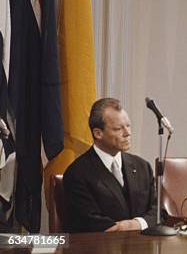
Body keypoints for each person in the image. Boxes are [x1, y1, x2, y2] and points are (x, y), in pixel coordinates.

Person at [63, 98, 157, 232]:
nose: (127, 133)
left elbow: (158, 210)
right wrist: (121, 228)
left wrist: (136, 224)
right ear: (98, 133)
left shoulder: (142, 166)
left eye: (128, 126)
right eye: (118, 128)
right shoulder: (77, 173)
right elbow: (88, 222)